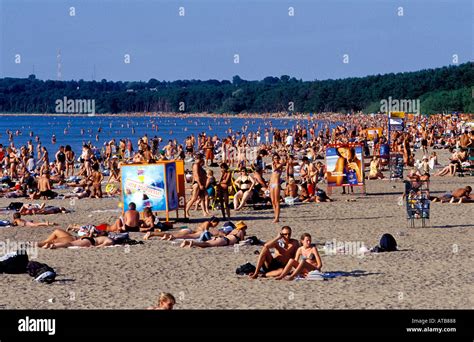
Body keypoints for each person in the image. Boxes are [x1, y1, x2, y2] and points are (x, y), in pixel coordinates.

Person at [180, 220, 247, 248]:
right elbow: (242, 242)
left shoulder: (234, 230)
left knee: (205, 243)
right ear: (243, 228)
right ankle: (192, 243)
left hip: (221, 238)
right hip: (224, 241)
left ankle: (188, 242)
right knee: (206, 244)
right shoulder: (240, 232)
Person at [144, 216, 220, 240]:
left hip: (189, 231)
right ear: (213, 221)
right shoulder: (207, 223)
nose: (215, 225)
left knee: (172, 234)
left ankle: (153, 234)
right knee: (172, 235)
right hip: (189, 232)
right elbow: (206, 232)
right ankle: (152, 233)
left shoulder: (206, 223)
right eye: (216, 223)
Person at [269, 153, 285, 223]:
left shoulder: (279, 165)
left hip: (276, 183)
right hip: (271, 183)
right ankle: (275, 215)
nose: (276, 159)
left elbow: (275, 168)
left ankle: (277, 217)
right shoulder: (274, 164)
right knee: (272, 201)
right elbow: (272, 175)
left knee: (277, 201)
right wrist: (268, 185)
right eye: (275, 158)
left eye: (277, 158)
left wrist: (273, 164)